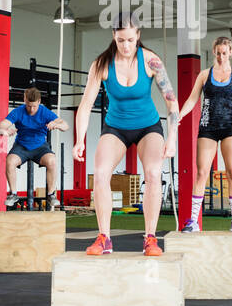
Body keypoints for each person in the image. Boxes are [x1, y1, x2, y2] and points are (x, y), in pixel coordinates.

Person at [72, 14, 178, 256]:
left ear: (138, 35)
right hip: (116, 127)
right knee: (100, 174)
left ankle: (150, 238)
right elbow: (86, 104)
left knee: (152, 173)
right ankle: (104, 238)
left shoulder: (151, 61)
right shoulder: (101, 64)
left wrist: (171, 138)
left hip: (148, 127)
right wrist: (79, 139)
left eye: (131, 39)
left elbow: (172, 104)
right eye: (121, 40)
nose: (127, 46)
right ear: (114, 37)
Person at [176, 36, 232, 232]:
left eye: (225, 53)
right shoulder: (204, 75)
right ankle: (193, 221)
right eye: (218, 53)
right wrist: (179, 115)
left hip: (231, 126)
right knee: (202, 173)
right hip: (208, 127)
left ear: (230, 52)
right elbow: (191, 99)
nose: (222, 57)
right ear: (214, 52)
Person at [0, 86, 69, 210]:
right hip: (21, 146)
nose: (31, 109)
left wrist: (56, 124)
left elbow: (65, 126)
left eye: (34, 106)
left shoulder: (44, 111)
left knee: (52, 160)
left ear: (39, 102)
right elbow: (0, 127)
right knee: (10, 161)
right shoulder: (18, 111)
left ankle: (51, 194)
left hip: (40, 147)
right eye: (29, 106)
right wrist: (5, 131)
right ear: (25, 100)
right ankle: (13, 194)